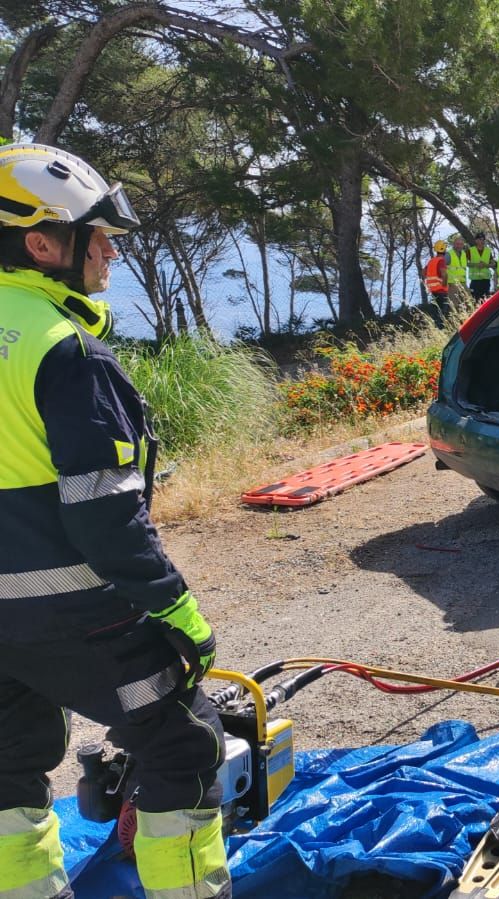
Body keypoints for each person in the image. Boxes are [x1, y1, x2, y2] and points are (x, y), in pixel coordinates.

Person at [0, 144, 230, 899]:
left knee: (6, 763)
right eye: (96, 234)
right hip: (71, 612)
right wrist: (182, 612)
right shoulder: (64, 352)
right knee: (183, 743)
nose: (109, 251)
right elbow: (106, 522)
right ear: (41, 242)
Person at [423, 239, 451, 324]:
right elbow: (444, 274)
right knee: (443, 314)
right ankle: (442, 329)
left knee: (437, 313)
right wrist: (444, 286)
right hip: (441, 291)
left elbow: (423, 272)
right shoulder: (441, 260)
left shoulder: (431, 261)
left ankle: (438, 328)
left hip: (433, 291)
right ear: (443, 249)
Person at [466, 231, 496, 301]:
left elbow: (493, 264)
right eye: (479, 239)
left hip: (486, 280)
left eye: (483, 239)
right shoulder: (470, 250)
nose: (482, 241)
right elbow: (465, 263)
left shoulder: (488, 251)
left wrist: (486, 265)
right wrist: (476, 265)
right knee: (475, 300)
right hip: (475, 281)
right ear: (476, 240)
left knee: (485, 301)